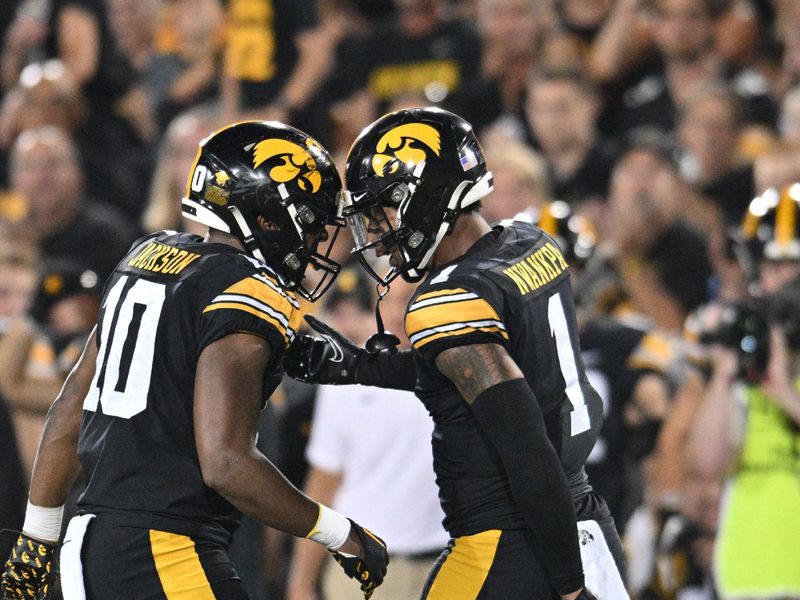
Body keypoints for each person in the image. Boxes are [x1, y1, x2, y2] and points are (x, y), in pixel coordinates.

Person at [0, 120, 389, 600]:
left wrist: (37, 534)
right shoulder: (244, 292)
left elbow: (69, 408)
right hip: (161, 552)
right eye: (306, 221)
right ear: (264, 218)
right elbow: (226, 464)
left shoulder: (147, 257)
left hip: (91, 542)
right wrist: (341, 534)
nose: (311, 239)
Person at [286, 107, 628, 599]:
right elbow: (477, 373)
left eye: (384, 211)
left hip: (511, 547)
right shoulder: (528, 245)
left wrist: (569, 587)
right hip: (583, 518)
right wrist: (363, 366)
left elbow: (526, 448)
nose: (379, 233)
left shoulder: (449, 299)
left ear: (428, 197)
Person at [287, 272, 448, 600]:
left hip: (448, 567)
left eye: (414, 299)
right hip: (363, 573)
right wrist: (301, 583)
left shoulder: (461, 369)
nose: (403, 313)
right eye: (395, 300)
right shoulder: (347, 376)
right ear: (378, 305)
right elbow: (323, 487)